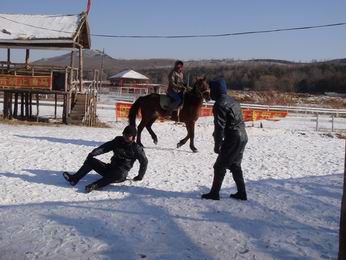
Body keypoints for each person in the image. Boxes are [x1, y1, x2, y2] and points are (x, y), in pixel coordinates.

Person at [63, 125, 148, 193]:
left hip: (120, 174)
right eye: (124, 134)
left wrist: (140, 176)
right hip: (110, 168)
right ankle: (74, 179)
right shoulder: (117, 141)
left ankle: (94, 185)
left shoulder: (136, 148)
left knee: (119, 174)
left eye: (128, 136)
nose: (126, 137)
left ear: (133, 137)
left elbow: (144, 162)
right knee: (90, 160)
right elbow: (104, 148)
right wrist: (93, 153)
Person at [202, 79, 248, 201]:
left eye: (211, 90)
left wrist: (217, 145)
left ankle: (214, 193)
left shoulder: (220, 104)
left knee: (219, 166)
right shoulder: (233, 101)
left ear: (216, 90)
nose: (210, 92)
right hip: (243, 136)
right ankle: (241, 193)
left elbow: (219, 127)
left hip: (233, 137)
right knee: (235, 165)